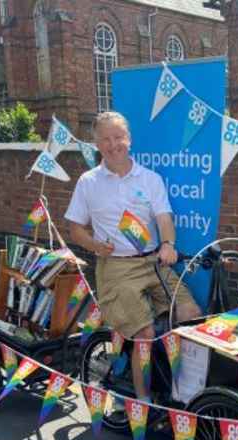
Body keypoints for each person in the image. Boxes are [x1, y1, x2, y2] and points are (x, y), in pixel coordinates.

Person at [65, 111, 201, 404]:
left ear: (129, 139)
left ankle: (187, 393)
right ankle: (143, 403)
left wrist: (168, 244)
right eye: (106, 139)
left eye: (119, 137)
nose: (114, 144)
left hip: (153, 261)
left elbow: (164, 217)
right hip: (116, 268)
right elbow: (75, 229)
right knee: (146, 333)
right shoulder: (88, 182)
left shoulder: (150, 179)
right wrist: (94, 245)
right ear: (97, 144)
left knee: (191, 315)